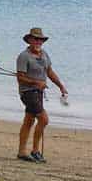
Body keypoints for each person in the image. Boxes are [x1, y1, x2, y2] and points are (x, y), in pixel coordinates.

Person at [16, 28, 67, 164]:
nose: (38, 42)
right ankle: (35, 151)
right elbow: (20, 78)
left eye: (41, 40)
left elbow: (49, 72)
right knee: (44, 119)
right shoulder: (24, 56)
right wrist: (36, 82)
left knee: (29, 121)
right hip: (27, 92)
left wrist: (60, 86)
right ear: (30, 40)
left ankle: (21, 152)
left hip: (38, 92)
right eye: (36, 39)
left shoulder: (44, 54)